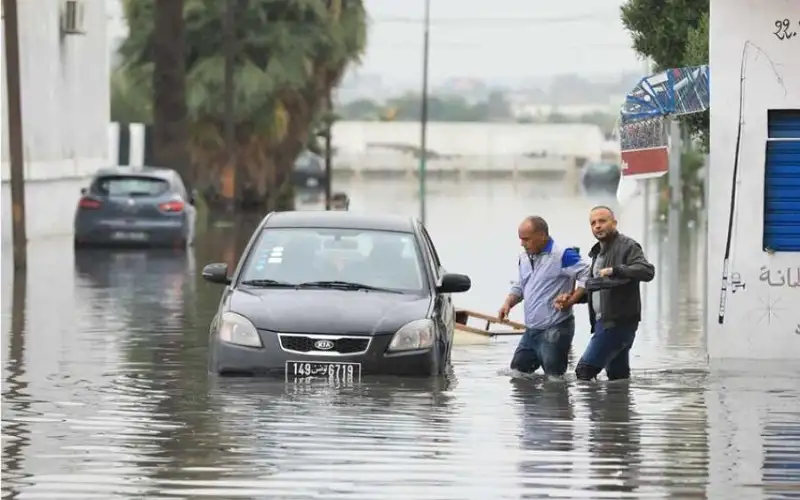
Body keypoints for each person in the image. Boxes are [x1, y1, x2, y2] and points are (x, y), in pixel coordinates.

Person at [498, 216, 590, 376]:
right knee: (518, 373)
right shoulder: (524, 257)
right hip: (532, 330)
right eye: (520, 239)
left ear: (542, 235)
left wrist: (572, 299)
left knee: (555, 380)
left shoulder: (562, 254)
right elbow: (521, 285)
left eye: (526, 239)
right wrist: (508, 303)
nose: (522, 244)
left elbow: (587, 275)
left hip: (555, 328)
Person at [572, 205, 655, 381]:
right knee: (618, 377)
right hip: (605, 322)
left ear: (614, 223)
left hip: (617, 324)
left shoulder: (628, 246)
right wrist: (574, 299)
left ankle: (593, 408)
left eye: (602, 221)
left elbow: (647, 271)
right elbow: (601, 289)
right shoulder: (597, 252)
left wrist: (616, 270)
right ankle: (618, 408)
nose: (597, 226)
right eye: (593, 223)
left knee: (584, 372)